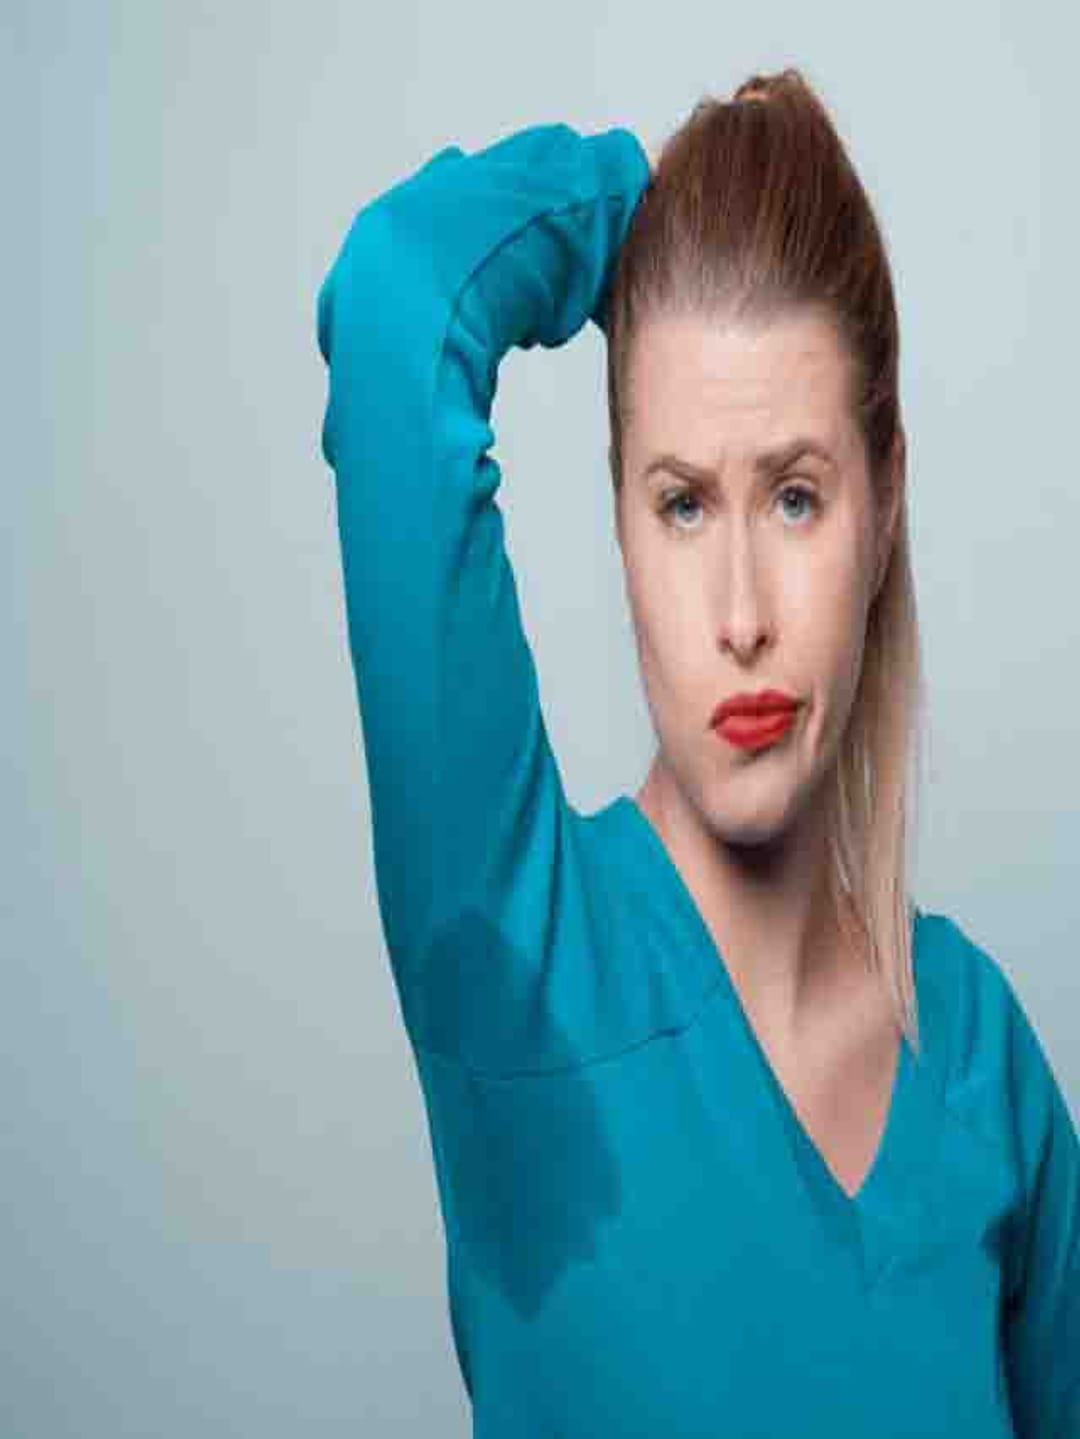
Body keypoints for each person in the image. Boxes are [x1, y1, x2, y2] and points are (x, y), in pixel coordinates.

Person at [314, 67, 1078, 1438]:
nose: (739, 616)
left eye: (795, 498)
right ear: (617, 516)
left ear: (886, 503)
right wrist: (637, 203)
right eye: (680, 505)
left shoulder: (979, 1062)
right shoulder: (521, 961)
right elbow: (398, 296)